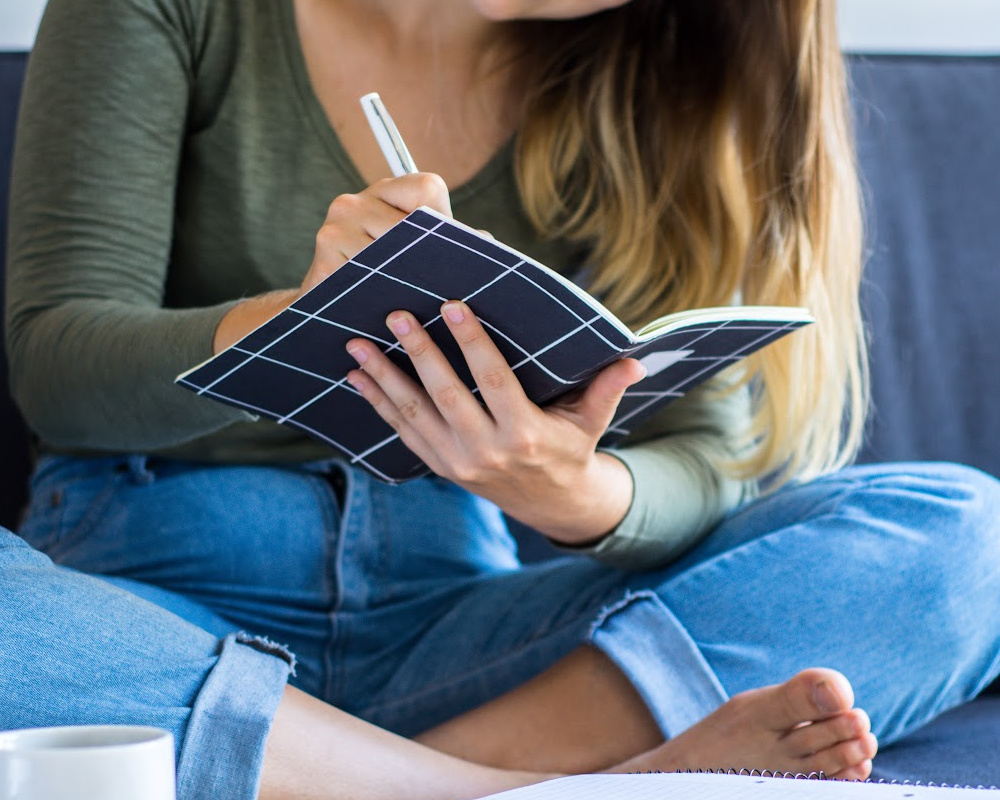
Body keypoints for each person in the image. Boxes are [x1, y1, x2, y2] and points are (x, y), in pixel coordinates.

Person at [6, 0, 1000, 795]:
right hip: (149, 615)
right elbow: (59, 375)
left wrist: (573, 492)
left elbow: (705, 458)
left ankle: (325, 776)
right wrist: (299, 314)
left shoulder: (656, 73)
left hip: (455, 630)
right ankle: (514, 786)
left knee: (971, 538)